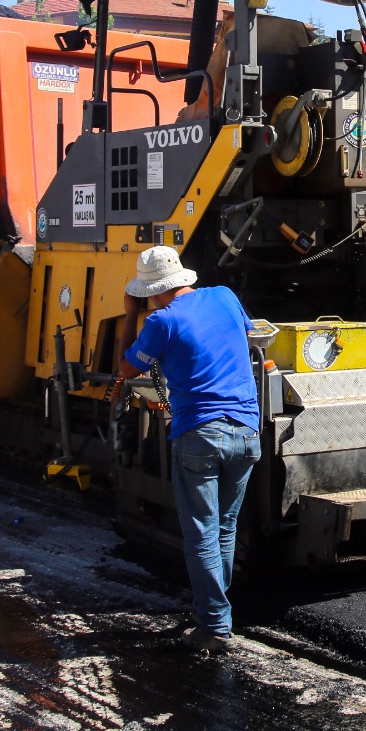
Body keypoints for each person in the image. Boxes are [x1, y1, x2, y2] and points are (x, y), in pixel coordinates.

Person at [115, 246, 261, 655]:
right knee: (224, 530)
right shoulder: (224, 296)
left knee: (201, 536)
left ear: (152, 290)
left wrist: (131, 314)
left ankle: (215, 624)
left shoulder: (161, 320)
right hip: (247, 433)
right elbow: (243, 333)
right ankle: (216, 609)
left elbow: (127, 370)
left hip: (200, 436)